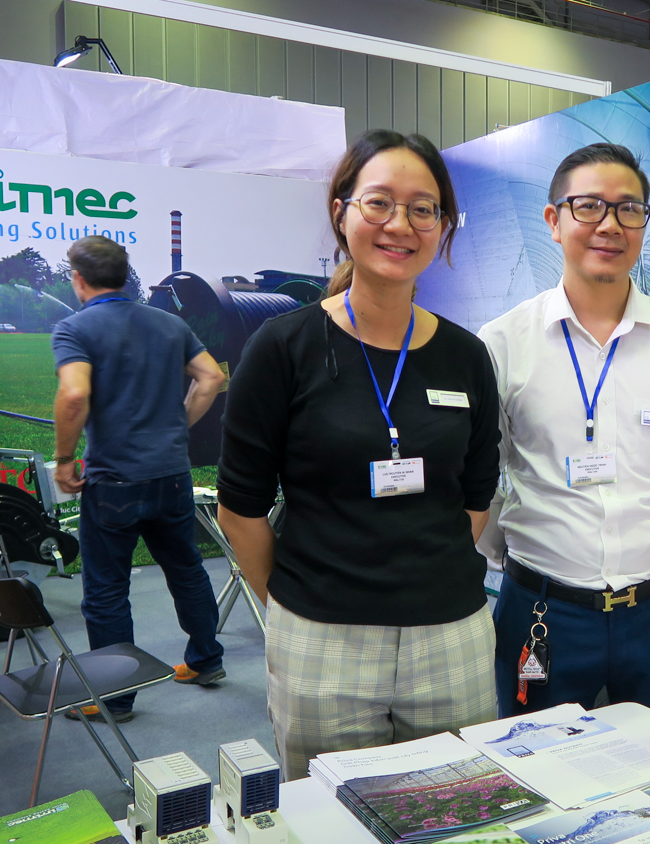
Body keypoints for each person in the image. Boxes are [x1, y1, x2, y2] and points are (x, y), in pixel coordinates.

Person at [216, 130, 501, 777]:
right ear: (341, 212)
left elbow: (476, 496)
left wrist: (418, 575)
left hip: (450, 633)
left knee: (455, 805)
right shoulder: (283, 347)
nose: (400, 224)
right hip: (323, 636)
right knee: (329, 813)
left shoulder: (465, 356)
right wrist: (292, 608)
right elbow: (241, 508)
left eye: (422, 208)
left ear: (443, 226)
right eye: (379, 202)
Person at [478, 143, 650, 731]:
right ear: (553, 220)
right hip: (543, 611)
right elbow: (482, 481)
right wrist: (520, 560)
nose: (610, 225)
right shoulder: (502, 343)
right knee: (538, 769)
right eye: (588, 206)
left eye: (628, 209)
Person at [50, 236, 228, 723]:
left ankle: (116, 698)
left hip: (114, 481)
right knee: (186, 569)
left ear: (79, 279)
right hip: (172, 475)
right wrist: (177, 427)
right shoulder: (170, 324)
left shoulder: (75, 328)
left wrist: (64, 459)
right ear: (124, 275)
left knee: (106, 589)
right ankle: (206, 661)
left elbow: (73, 395)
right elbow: (211, 378)